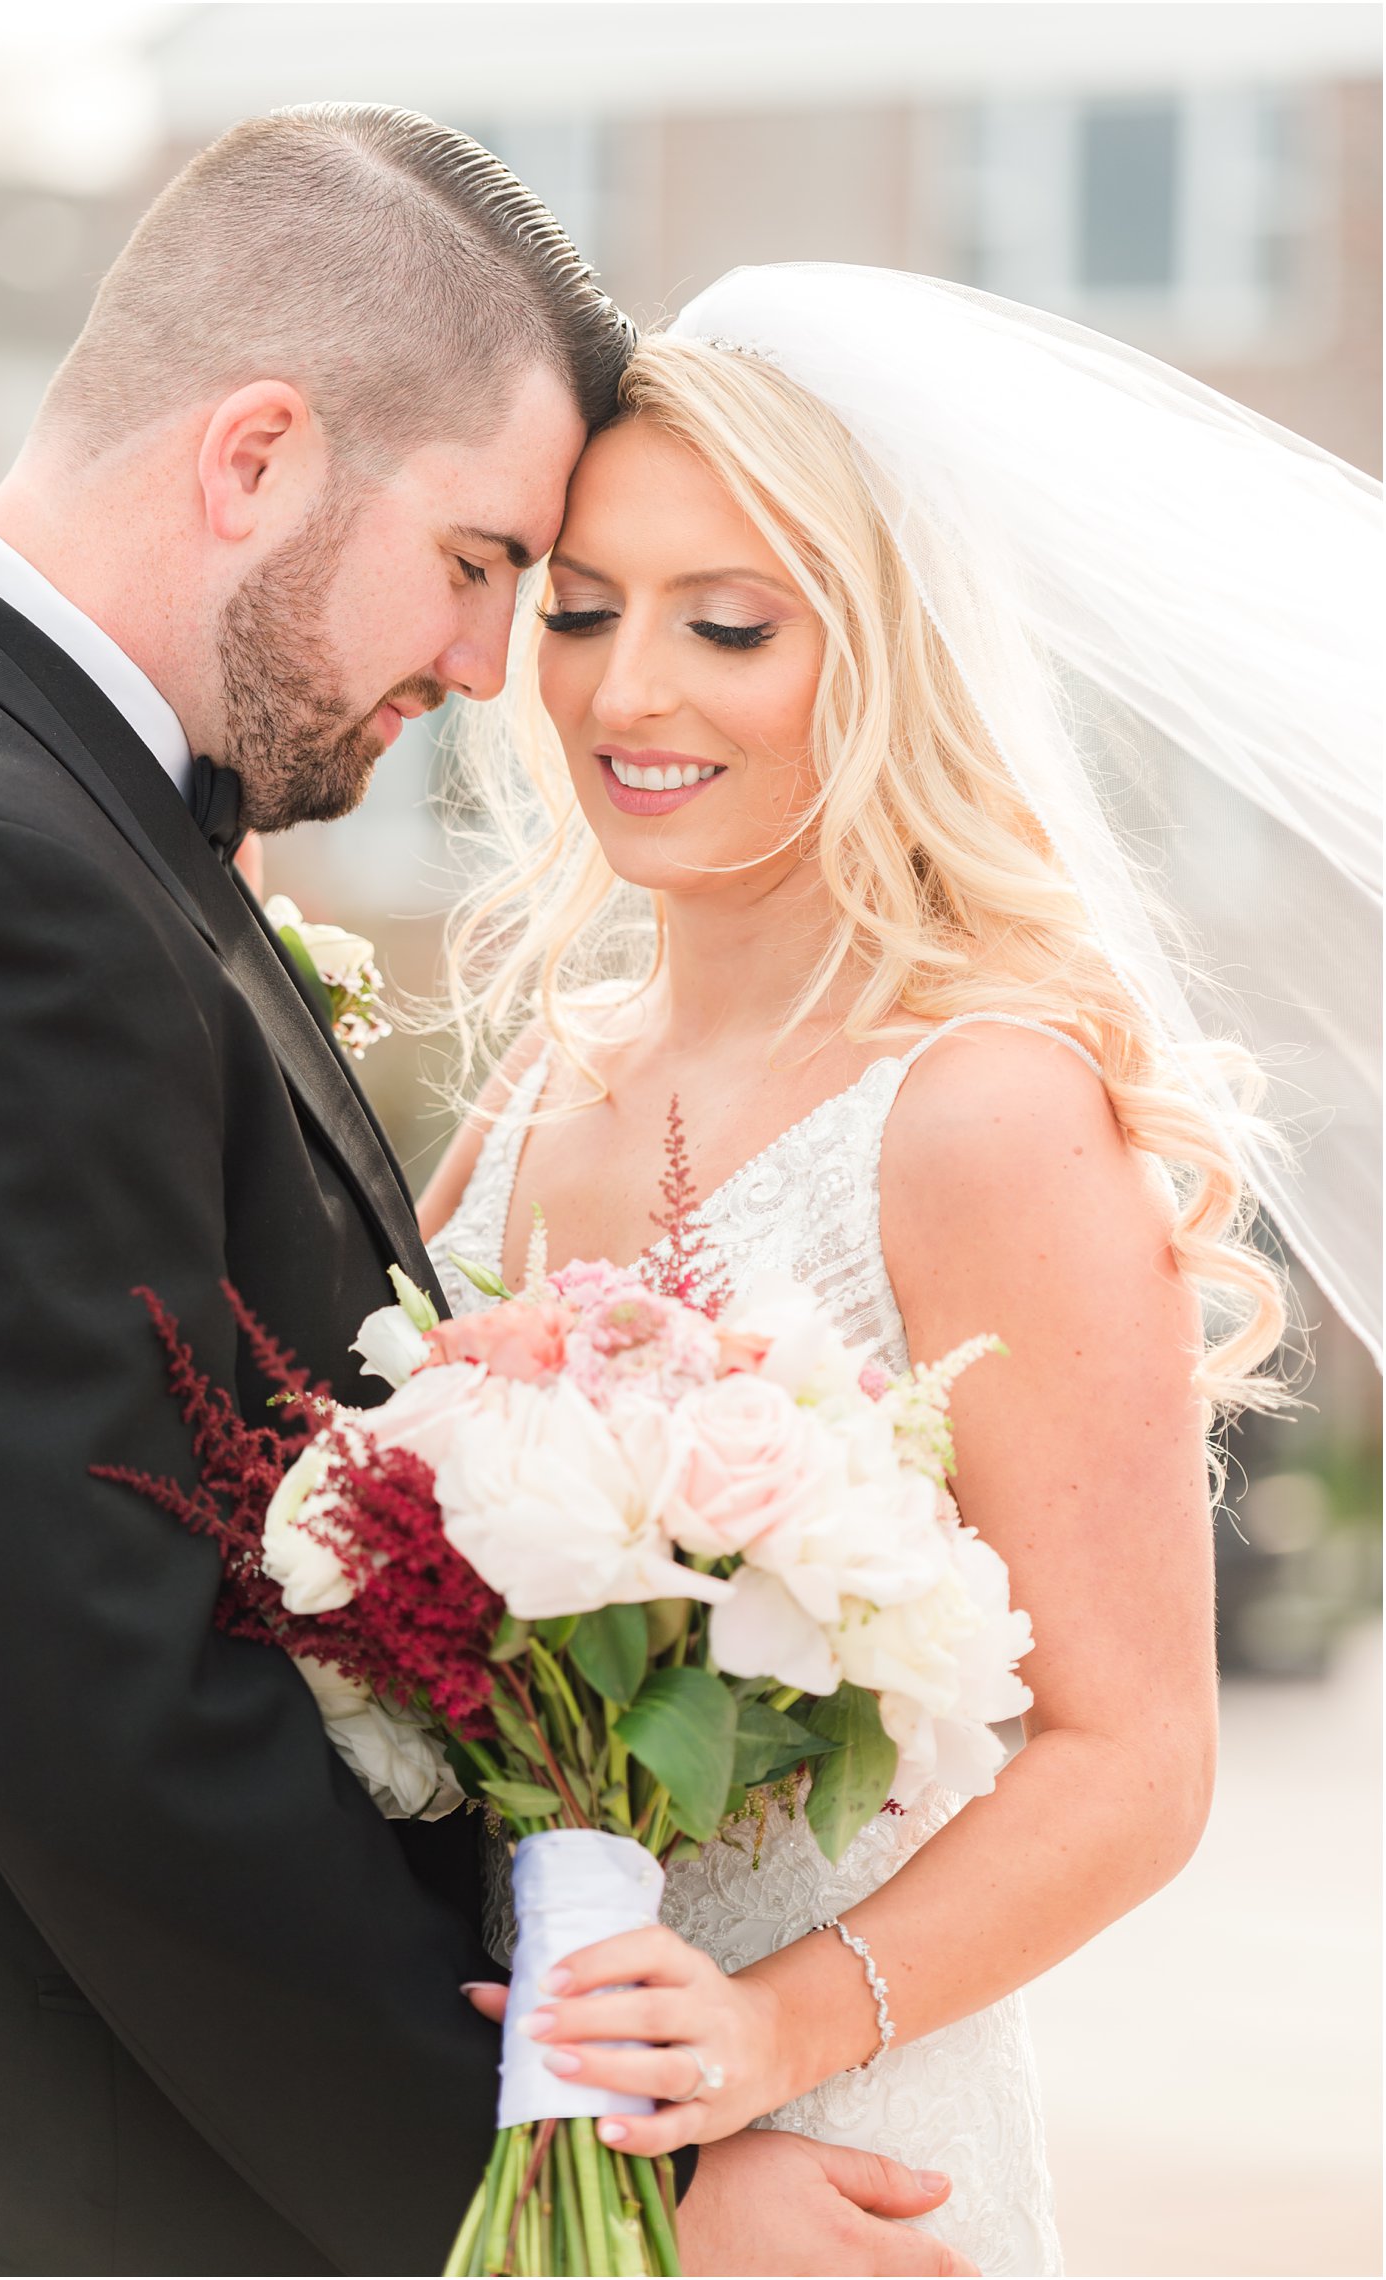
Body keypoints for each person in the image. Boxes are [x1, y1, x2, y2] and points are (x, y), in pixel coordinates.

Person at [0, 116, 974, 2280]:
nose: (498, 673)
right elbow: (115, 1720)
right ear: (256, 455)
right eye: (484, 563)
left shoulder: (31, 809)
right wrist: (600, 2208)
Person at [422, 273, 1381, 2274]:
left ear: (879, 658)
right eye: (582, 610)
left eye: (729, 623)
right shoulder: (535, 1089)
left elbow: (1134, 1758)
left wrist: (770, 2032)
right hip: (535, 2101)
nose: (625, 694)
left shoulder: (981, 1107)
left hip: (843, 2129)